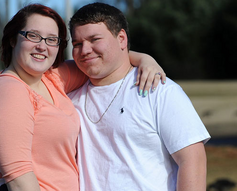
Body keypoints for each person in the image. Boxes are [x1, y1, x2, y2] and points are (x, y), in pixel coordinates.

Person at [0, 3, 166, 191]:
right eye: (33, 36)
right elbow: (19, 181)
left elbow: (104, 60)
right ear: (13, 40)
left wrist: (145, 60)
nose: (42, 46)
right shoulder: (9, 92)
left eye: (52, 39)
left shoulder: (53, 78)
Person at [68, 2, 211, 191]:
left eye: (94, 39)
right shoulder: (67, 96)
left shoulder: (158, 89)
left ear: (121, 38)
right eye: (77, 43)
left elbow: (193, 160)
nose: (85, 50)